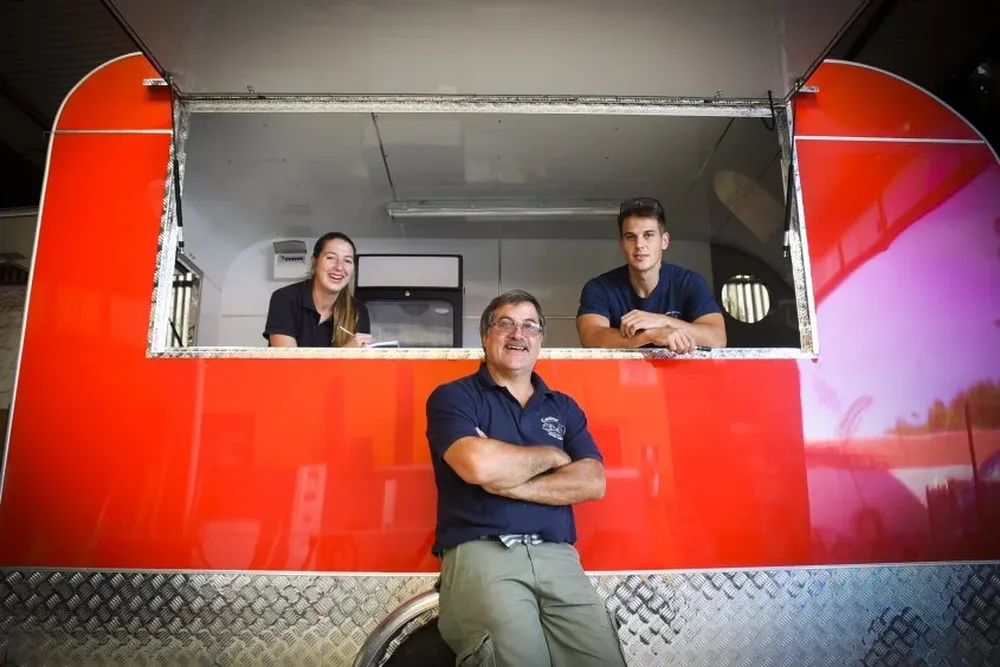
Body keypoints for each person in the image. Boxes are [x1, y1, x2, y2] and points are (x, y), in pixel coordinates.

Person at [425, 290, 627, 667]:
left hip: (559, 556)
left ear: (540, 340)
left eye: (529, 326)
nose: (518, 334)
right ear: (486, 336)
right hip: (484, 553)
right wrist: (553, 456)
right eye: (506, 324)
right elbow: (478, 466)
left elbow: (592, 482)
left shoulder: (563, 406)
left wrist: (509, 478)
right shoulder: (454, 398)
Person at [576, 196, 726, 353]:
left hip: (679, 375)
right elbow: (591, 337)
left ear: (664, 241)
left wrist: (662, 321)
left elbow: (717, 338)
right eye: (630, 237)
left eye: (648, 235)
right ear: (621, 245)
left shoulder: (690, 283)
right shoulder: (600, 288)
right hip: (620, 377)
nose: (640, 245)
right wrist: (649, 336)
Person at [262, 231, 373, 347]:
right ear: (314, 261)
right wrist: (344, 353)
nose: (339, 267)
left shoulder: (358, 311)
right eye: (331, 258)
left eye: (348, 261)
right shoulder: (285, 298)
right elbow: (288, 363)